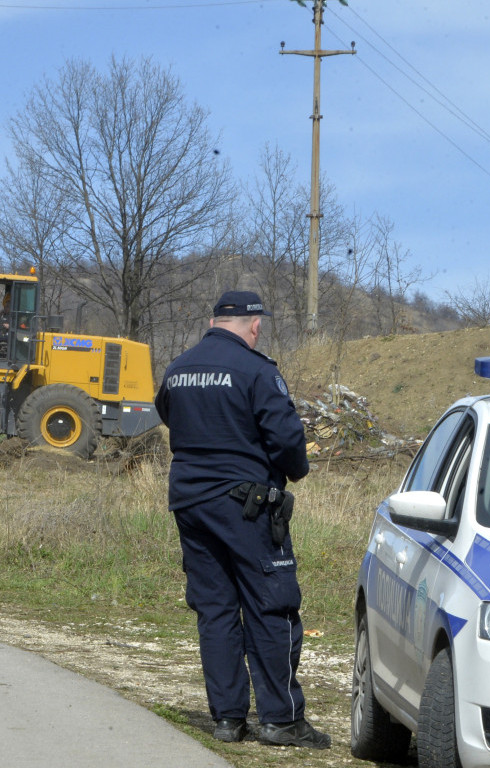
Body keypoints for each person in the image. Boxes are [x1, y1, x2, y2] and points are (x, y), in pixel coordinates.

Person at [154, 290, 328, 749]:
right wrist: (294, 471)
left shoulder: (178, 369)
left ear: (214, 322)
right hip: (246, 507)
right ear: (253, 325)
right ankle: (281, 721)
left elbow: (169, 417)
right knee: (271, 606)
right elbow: (287, 438)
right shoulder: (257, 370)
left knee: (215, 611)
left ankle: (229, 720)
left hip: (190, 505)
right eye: (260, 327)